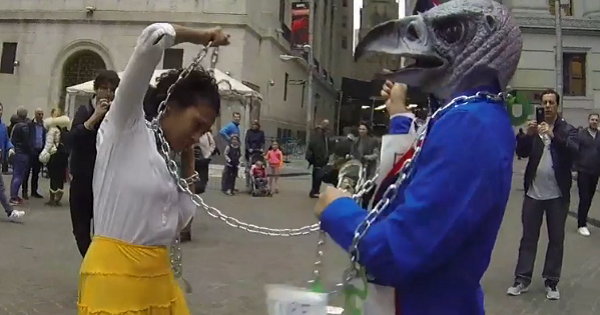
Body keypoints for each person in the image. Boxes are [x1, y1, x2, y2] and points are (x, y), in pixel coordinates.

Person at [315, 0, 522, 313]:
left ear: (490, 39)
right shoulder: (465, 116)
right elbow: (410, 180)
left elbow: (397, 252)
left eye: (451, 32)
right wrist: (399, 115)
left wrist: (338, 210)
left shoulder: (470, 124)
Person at [77, 23, 229, 315]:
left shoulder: (165, 161)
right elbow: (153, 38)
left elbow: (181, 220)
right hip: (114, 279)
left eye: (206, 130)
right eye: (197, 124)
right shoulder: (125, 127)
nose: (198, 136)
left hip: (159, 282)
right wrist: (202, 35)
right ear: (170, 106)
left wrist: (188, 163)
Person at [509, 89, 578, 300]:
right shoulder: (535, 128)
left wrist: (553, 136)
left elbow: (574, 150)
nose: (547, 106)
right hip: (533, 194)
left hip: (557, 195)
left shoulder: (567, 129)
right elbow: (521, 153)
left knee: (556, 240)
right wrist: (527, 136)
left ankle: (551, 282)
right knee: (529, 238)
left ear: (557, 105)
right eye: (545, 103)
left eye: (551, 102)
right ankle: (522, 280)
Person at [69, 70, 120, 257]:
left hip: (106, 183)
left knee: (103, 231)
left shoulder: (117, 115)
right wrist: (94, 118)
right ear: (96, 90)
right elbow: (72, 139)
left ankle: (100, 270)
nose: (108, 93)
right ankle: (92, 263)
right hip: (82, 180)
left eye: (112, 90)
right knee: (81, 231)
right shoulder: (84, 111)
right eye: (104, 88)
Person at [574, 113, 600, 237]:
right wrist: (574, 169)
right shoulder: (581, 134)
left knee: (589, 198)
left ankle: (583, 219)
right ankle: (581, 224)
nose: (594, 121)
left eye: (596, 120)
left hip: (595, 171)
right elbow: (575, 151)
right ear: (588, 121)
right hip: (583, 170)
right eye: (592, 119)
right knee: (584, 197)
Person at [39, 108, 71, 206]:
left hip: (54, 155)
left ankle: (52, 199)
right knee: (61, 176)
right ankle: (58, 198)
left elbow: (49, 144)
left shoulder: (52, 129)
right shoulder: (65, 128)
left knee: (53, 176)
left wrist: (43, 154)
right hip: (63, 155)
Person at [0, 102, 23, 221]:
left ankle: (10, 212)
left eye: (1, 110)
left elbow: (6, 140)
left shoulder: (3, 127)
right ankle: (10, 212)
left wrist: (10, 148)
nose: (0, 112)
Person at [9, 107, 32, 206]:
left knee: (15, 175)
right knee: (19, 176)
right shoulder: (24, 127)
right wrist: (31, 150)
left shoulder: (15, 126)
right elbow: (26, 142)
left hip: (15, 152)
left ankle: (13, 195)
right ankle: (13, 197)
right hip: (22, 153)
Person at [24, 108, 45, 199]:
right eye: (39, 114)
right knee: (27, 172)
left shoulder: (44, 126)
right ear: (35, 114)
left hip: (39, 151)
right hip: (30, 151)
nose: (41, 116)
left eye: (42, 114)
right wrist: (29, 147)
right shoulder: (30, 125)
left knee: (36, 173)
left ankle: (34, 191)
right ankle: (24, 191)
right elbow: (27, 137)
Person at [306, 119, 330, 198]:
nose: (328, 127)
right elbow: (317, 146)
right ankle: (314, 191)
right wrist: (320, 157)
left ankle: (316, 190)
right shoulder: (318, 133)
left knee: (318, 175)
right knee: (317, 175)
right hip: (318, 159)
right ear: (323, 124)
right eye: (327, 125)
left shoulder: (322, 133)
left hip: (320, 159)